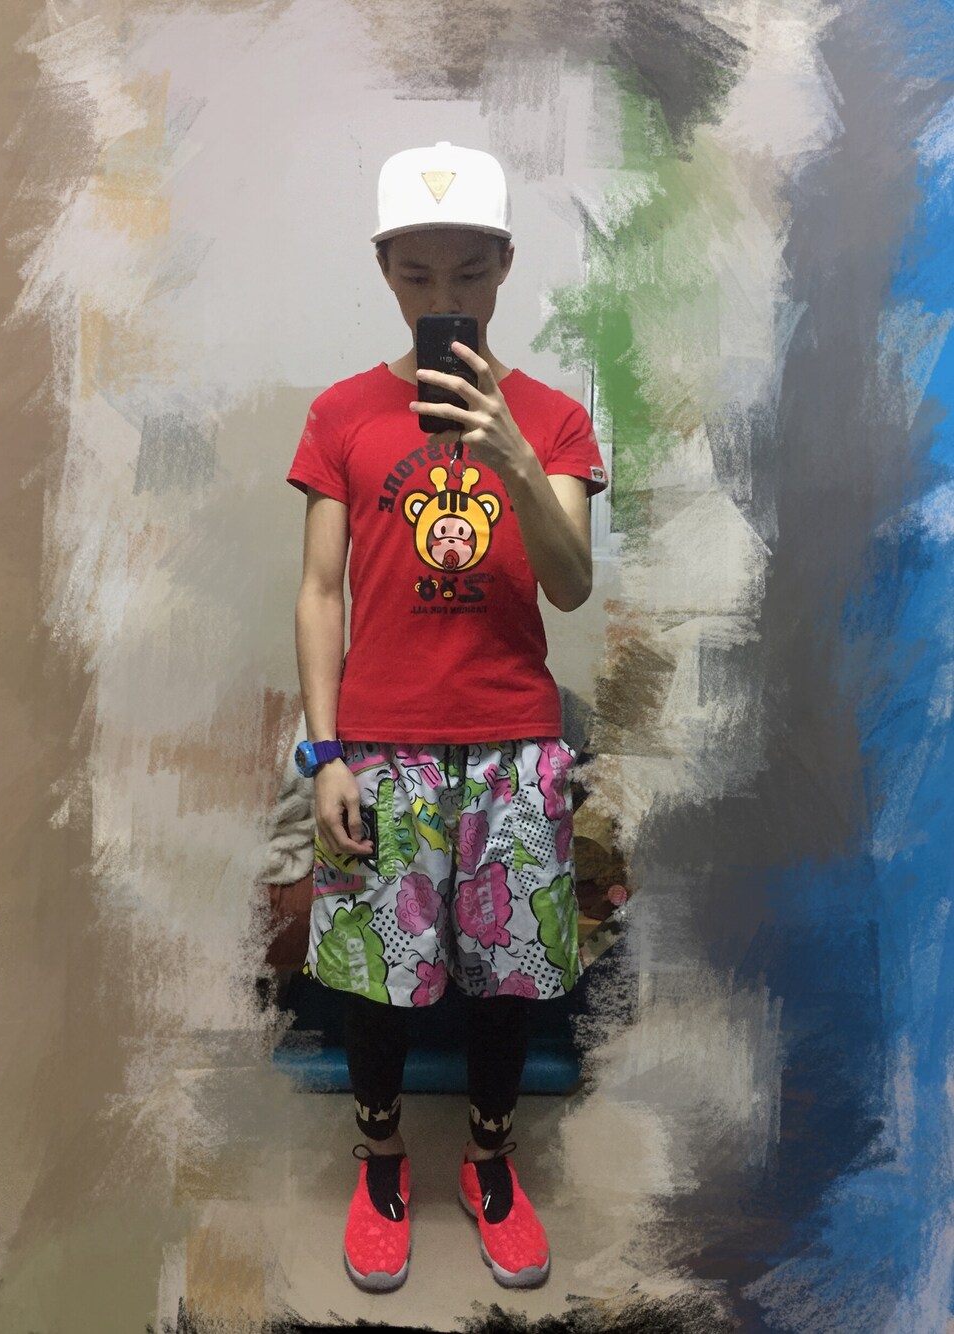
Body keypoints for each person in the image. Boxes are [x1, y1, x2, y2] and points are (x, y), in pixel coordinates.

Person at [288, 141, 608, 1292]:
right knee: (377, 974)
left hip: (514, 742)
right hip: (381, 744)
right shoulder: (340, 414)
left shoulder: (554, 420)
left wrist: (510, 452)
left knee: (509, 974)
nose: (444, 297)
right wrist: (325, 752)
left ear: (505, 266)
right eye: (417, 275)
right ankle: (379, 1159)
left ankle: (488, 1159)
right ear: (385, 272)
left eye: (468, 273)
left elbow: (570, 584)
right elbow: (319, 593)